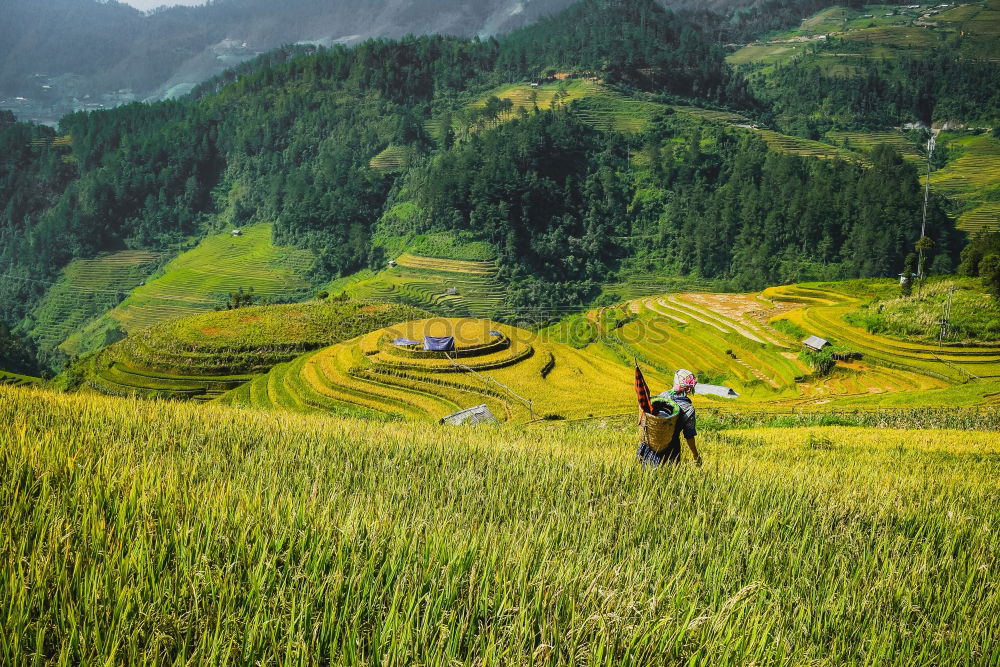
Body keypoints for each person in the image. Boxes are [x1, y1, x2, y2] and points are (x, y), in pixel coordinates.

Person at [637, 369, 702, 466]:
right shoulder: (688, 408)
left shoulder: (663, 395)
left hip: (650, 444)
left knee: (644, 474)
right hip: (670, 449)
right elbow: (689, 435)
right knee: (666, 476)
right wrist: (695, 454)